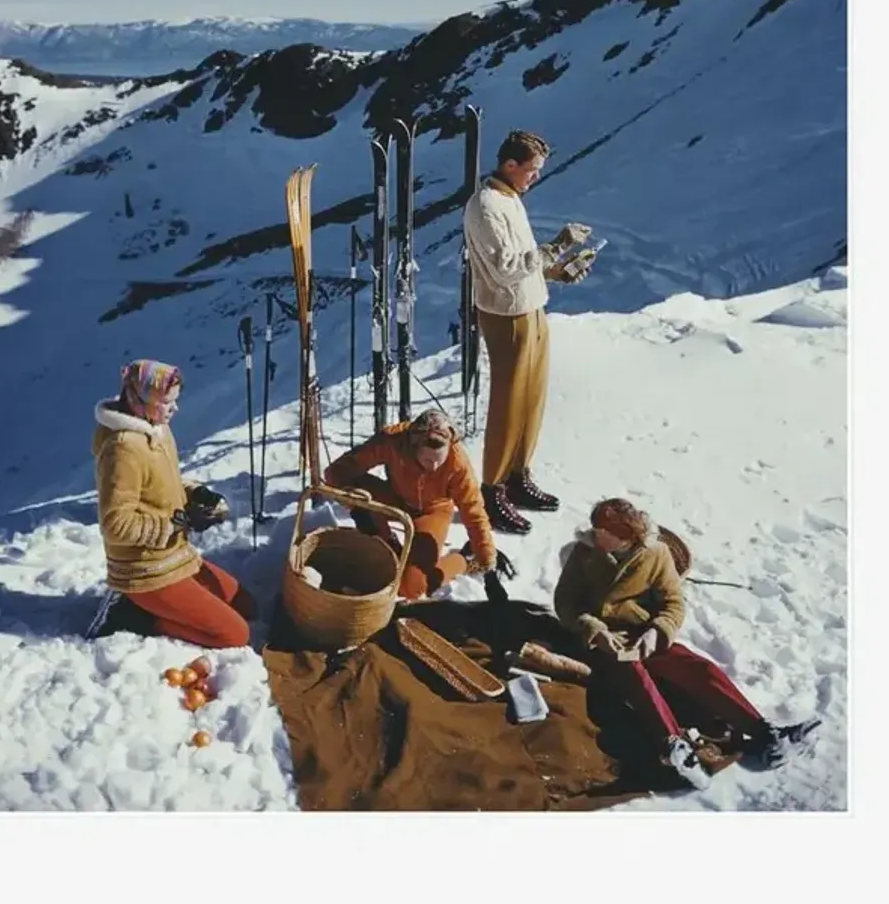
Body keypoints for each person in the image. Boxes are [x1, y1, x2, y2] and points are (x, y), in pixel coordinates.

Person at [553, 497, 821, 789]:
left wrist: (657, 631)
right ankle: (674, 745)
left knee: (696, 667)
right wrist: (592, 626)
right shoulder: (584, 552)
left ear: (627, 537)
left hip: (644, 633)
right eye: (596, 529)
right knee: (634, 675)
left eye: (606, 533)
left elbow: (673, 603)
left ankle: (764, 733)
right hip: (600, 639)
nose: (598, 536)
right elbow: (565, 602)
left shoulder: (656, 555)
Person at [462, 127, 595, 534]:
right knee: (508, 400)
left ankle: (518, 474)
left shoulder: (509, 200)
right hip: (507, 315)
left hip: (530, 307)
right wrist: (554, 248)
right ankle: (493, 488)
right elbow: (505, 270)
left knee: (531, 398)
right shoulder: (487, 207)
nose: (534, 177)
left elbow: (522, 263)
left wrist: (554, 272)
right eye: (531, 170)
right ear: (510, 165)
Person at [93, 359, 255, 649]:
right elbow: (115, 524)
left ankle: (157, 607)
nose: (175, 408)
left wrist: (196, 495)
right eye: (167, 402)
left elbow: (161, 486)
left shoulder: (156, 428)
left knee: (246, 605)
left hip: (175, 555)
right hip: (144, 569)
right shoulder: (123, 449)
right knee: (234, 635)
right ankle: (134, 615)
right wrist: (174, 524)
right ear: (138, 400)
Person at [323, 410, 501, 601]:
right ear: (414, 446)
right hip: (395, 497)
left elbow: (473, 511)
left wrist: (487, 561)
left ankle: (462, 560)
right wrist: (352, 497)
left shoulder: (458, 464)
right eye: (427, 460)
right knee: (362, 496)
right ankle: (386, 541)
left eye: (438, 461)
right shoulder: (393, 441)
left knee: (412, 587)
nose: (433, 467)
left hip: (433, 511)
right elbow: (338, 470)